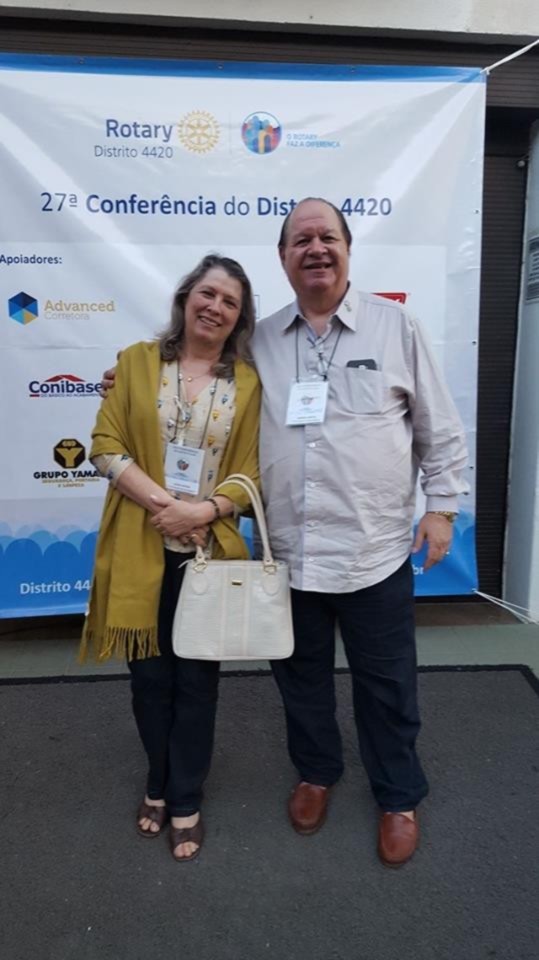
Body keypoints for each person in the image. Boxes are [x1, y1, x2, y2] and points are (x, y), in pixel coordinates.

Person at [102, 198, 468, 868]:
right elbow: (191, 378)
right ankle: (316, 772)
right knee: (300, 680)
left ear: (348, 248)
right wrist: (125, 381)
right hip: (291, 554)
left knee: (387, 684)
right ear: (283, 257)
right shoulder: (261, 341)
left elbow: (437, 427)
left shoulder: (396, 326)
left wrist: (441, 506)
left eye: (327, 237)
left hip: (372, 550)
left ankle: (397, 796)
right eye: (301, 240)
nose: (315, 249)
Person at [83, 254, 261, 863]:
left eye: (230, 302)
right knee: (149, 681)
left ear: (239, 318)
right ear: (186, 298)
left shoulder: (249, 384)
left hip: (206, 555)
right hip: (141, 546)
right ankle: (156, 781)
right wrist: (168, 506)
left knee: (197, 684)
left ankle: (185, 796)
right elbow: (103, 446)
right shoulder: (135, 364)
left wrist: (203, 511)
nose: (215, 307)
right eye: (207, 294)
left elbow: (252, 473)